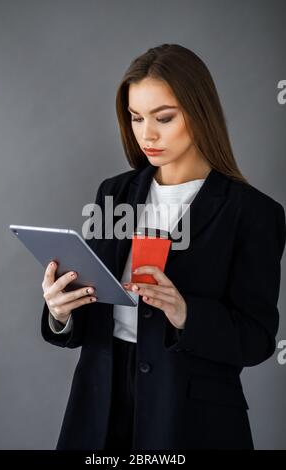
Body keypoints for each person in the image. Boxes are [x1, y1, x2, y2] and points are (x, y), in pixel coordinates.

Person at [41, 44, 286, 450]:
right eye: (136, 118)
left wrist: (185, 312)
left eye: (164, 118)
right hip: (99, 403)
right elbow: (94, 305)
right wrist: (59, 311)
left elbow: (258, 338)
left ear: (200, 113)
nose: (147, 134)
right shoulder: (114, 193)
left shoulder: (254, 212)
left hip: (190, 416)